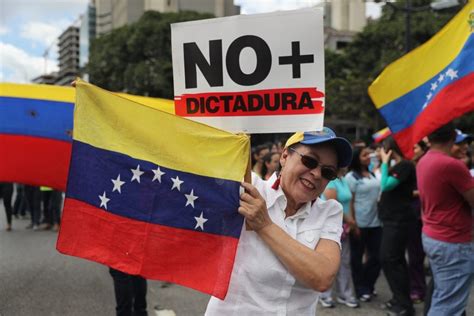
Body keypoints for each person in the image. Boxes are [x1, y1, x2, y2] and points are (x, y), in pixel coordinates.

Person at [205, 127, 353, 315]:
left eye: (328, 172)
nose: (316, 173)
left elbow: (322, 277)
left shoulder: (330, 211)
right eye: (309, 161)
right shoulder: (248, 188)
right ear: (284, 156)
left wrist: (265, 225)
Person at [417, 123, 474, 316]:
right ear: (452, 138)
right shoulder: (451, 165)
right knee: (448, 305)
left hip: (434, 235)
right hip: (453, 240)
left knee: (443, 295)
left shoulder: (424, 160)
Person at [378, 137, 417, 316]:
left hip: (398, 220)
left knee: (392, 260)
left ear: (390, 150)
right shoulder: (398, 166)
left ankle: (404, 305)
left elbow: (385, 185)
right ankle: (398, 298)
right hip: (391, 219)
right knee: (390, 260)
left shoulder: (405, 166)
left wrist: (385, 163)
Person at [319, 168, 359, 309]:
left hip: (344, 227)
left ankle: (345, 294)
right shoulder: (331, 181)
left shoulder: (344, 179)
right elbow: (333, 203)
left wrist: (352, 220)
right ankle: (325, 295)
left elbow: (350, 201)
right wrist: (351, 221)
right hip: (331, 225)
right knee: (328, 261)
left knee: (345, 262)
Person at [345, 146, 382, 302]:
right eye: (364, 154)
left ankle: (368, 285)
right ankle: (361, 289)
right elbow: (351, 201)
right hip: (360, 223)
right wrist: (353, 223)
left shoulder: (373, 173)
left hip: (376, 222)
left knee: (377, 257)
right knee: (357, 258)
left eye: (369, 154)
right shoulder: (351, 177)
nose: (369, 156)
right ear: (356, 158)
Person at [408, 141, 428, 305]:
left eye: (415, 147)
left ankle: (420, 289)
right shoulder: (408, 166)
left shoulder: (426, 165)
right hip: (412, 217)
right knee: (415, 256)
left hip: (426, 217)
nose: (412, 150)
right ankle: (417, 288)